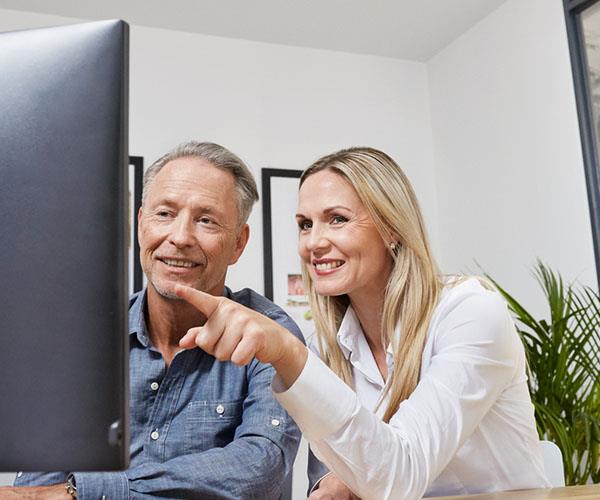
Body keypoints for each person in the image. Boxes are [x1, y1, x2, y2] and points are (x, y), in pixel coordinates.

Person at [172, 147, 551, 500]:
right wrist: (335, 483)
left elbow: (401, 473)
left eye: (337, 219)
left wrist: (288, 352)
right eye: (305, 224)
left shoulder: (470, 312)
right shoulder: (327, 349)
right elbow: (340, 473)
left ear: (391, 228)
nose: (313, 242)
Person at [3, 141, 303, 499]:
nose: (180, 237)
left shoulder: (270, 336)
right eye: (165, 214)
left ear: (238, 243)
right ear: (141, 224)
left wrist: (81, 493)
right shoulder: (84, 337)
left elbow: (259, 468)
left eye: (206, 220)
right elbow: (38, 488)